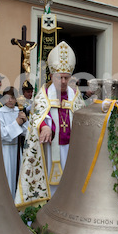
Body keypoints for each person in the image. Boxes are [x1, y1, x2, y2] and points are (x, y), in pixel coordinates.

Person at [15, 41, 84, 207]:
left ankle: (69, 208)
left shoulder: (75, 95)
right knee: (49, 183)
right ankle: (46, 210)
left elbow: (82, 117)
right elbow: (38, 115)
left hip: (71, 147)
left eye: (66, 77)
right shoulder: (43, 94)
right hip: (49, 147)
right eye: (60, 77)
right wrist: (44, 126)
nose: (63, 81)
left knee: (71, 180)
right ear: (52, 76)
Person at [0, 87, 28, 197]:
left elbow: (26, 133)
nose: (10, 100)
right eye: (7, 98)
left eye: (13, 97)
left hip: (17, 148)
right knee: (7, 175)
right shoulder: (0, 112)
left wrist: (24, 121)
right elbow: (2, 134)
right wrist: (16, 123)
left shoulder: (19, 111)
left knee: (18, 175)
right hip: (5, 150)